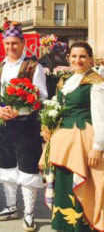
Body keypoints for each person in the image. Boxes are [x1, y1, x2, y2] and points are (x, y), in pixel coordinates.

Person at [0, 25, 47, 231]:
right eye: (8, 44)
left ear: (23, 44)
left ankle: (29, 213)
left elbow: (42, 96)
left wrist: (19, 110)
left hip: (25, 124)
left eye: (15, 43)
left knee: (27, 168)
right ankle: (11, 207)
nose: (11, 47)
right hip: (3, 123)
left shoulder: (33, 67)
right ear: (3, 45)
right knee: (6, 166)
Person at [42, 42, 104, 231]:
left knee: (82, 186)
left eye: (83, 56)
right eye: (74, 56)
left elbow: (101, 117)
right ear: (68, 58)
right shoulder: (66, 80)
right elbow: (57, 109)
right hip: (63, 145)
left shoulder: (96, 84)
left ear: (91, 60)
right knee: (64, 185)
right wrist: (48, 127)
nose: (78, 60)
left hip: (83, 143)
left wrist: (98, 147)